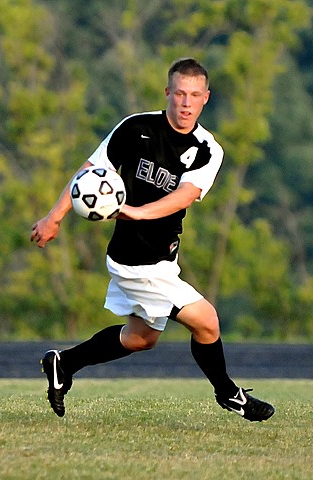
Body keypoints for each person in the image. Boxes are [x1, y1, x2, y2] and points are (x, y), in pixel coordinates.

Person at [30, 57, 275, 422]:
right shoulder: (135, 128)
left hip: (161, 259)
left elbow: (185, 195)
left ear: (206, 98)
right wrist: (54, 216)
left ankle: (63, 363)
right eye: (179, 93)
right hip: (135, 260)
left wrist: (137, 211)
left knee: (141, 338)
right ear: (168, 93)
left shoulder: (208, 149)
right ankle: (229, 394)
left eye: (194, 94)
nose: (186, 102)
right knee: (206, 321)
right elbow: (89, 174)